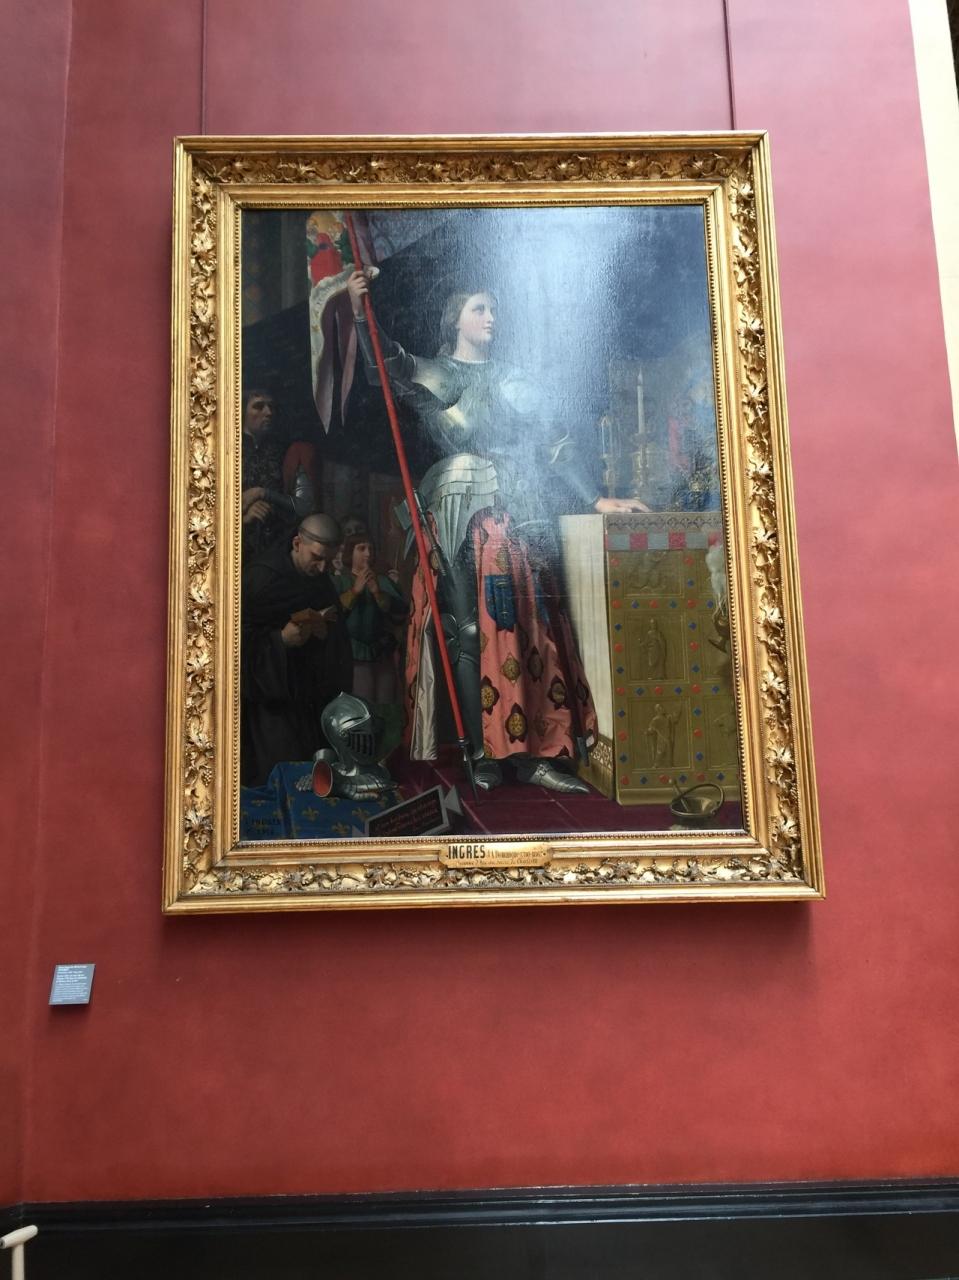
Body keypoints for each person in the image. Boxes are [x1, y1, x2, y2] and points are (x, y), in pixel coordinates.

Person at [347, 272, 646, 792]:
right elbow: (385, 361)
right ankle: (480, 753)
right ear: (455, 321)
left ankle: (536, 755)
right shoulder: (436, 373)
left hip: (516, 512)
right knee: (468, 633)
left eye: (493, 309)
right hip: (459, 511)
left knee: (530, 627)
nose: (491, 318)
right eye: (480, 309)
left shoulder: (513, 377)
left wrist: (595, 499)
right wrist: (358, 309)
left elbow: (554, 444)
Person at [241, 513, 352, 785]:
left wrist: (324, 632)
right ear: (296, 544)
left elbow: (337, 637)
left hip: (310, 698)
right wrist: (280, 640)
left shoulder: (320, 580)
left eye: (328, 561)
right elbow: (234, 642)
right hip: (270, 705)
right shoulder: (262, 578)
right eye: (317, 558)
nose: (323, 568)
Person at [241, 388, 317, 558]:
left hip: (278, 546)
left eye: (271, 407)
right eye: (258, 406)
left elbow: (304, 506)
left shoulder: (288, 452)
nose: (268, 412)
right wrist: (240, 518)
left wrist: (261, 493)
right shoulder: (226, 451)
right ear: (242, 411)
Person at [333, 534, 408, 704]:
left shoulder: (383, 581)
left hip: (382, 654)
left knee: (386, 704)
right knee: (362, 703)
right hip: (353, 656)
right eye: (361, 549)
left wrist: (377, 593)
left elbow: (400, 613)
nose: (367, 553)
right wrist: (355, 591)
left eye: (370, 549)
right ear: (350, 552)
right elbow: (332, 613)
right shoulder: (340, 582)